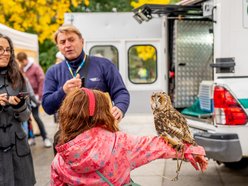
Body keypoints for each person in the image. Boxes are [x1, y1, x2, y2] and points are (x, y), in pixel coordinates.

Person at [51, 88, 208, 186]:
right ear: (102, 113)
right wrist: (191, 150)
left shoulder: (59, 160)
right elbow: (157, 145)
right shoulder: (120, 143)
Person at [42, 24, 130, 122]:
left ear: (82, 41)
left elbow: (121, 93)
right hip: (69, 133)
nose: (67, 45)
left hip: (102, 129)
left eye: (71, 40)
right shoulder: (53, 71)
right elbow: (47, 107)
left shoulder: (104, 65)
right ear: (58, 47)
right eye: (62, 42)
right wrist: (63, 91)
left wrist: (120, 108)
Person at [0, 33, 36, 185]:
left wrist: (18, 105)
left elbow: (26, 114)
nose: (6, 53)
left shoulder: (18, 77)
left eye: (8, 49)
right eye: (0, 49)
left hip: (18, 148)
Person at [16, 52, 52, 148]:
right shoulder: (22, 68)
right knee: (27, 118)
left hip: (35, 96)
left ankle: (45, 137)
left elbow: (41, 81)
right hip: (26, 96)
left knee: (36, 117)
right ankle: (31, 138)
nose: (20, 64)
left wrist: (39, 96)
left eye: (20, 62)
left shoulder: (35, 67)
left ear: (24, 60)